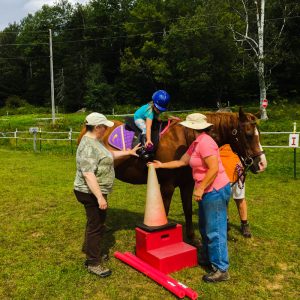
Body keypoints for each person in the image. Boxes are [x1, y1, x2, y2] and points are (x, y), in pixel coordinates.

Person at [149, 113, 231, 283]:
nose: (185, 129)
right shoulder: (196, 143)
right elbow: (181, 162)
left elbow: (214, 169)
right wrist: (161, 164)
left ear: (193, 129)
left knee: (215, 229)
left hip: (214, 189)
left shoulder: (206, 143)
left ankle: (221, 268)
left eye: (187, 127)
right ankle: (208, 258)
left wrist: (200, 188)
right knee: (204, 226)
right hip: (208, 190)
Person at [74, 112, 140, 277]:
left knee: (97, 224)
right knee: (95, 226)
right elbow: (88, 174)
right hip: (89, 192)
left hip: (95, 191)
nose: (106, 130)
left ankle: (94, 252)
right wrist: (99, 197)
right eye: (104, 127)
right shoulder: (88, 145)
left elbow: (108, 155)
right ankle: (93, 262)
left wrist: (128, 152)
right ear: (97, 127)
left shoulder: (96, 141)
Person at [219, 144, 252, 238]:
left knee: (240, 199)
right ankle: (225, 222)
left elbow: (247, 150)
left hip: (236, 172)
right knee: (223, 200)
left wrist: (243, 163)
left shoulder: (237, 137)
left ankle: (244, 224)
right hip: (221, 174)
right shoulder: (218, 138)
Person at [134, 90, 170, 155]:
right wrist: (149, 139)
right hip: (138, 118)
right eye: (158, 109)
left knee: (158, 121)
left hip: (148, 115)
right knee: (144, 128)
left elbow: (159, 114)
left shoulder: (155, 108)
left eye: (161, 110)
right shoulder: (149, 112)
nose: (159, 111)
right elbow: (148, 128)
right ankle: (143, 147)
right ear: (153, 103)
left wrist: (170, 118)